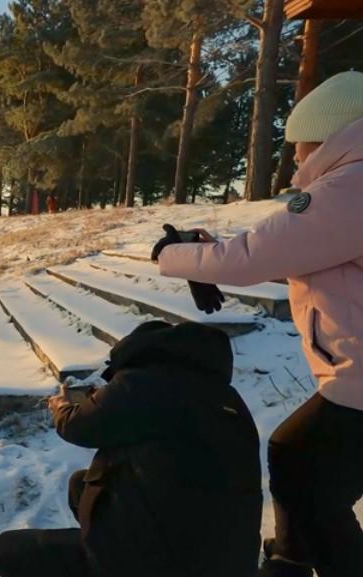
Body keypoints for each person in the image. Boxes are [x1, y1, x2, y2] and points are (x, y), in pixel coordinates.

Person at [153, 70, 363, 577]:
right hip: (354, 374)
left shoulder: (353, 182)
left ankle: (300, 562)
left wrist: (171, 255)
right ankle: (292, 560)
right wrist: (208, 251)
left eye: (299, 145)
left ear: (330, 135)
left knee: (304, 471)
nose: (294, 157)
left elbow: (253, 256)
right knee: (303, 466)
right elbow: (291, 243)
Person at [0, 321, 262, 577]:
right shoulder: (229, 399)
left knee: (7, 549)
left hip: (161, 565)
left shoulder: (141, 383)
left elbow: (77, 426)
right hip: (229, 560)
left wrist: (62, 407)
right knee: (81, 485)